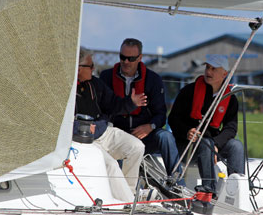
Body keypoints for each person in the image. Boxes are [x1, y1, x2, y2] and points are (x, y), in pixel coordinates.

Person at [100, 38, 184, 184]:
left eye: (131, 58)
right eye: (122, 57)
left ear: (140, 58)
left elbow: (161, 115)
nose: (125, 62)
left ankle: (178, 184)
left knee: (166, 137)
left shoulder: (153, 80)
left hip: (146, 135)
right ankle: (120, 190)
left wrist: (150, 127)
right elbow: (103, 109)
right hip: (118, 135)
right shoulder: (106, 77)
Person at [75, 51, 148, 199]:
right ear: (78, 68)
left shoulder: (95, 84)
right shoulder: (65, 90)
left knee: (137, 147)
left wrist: (131, 103)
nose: (94, 69)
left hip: (103, 131)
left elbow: (113, 104)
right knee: (111, 165)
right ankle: (127, 202)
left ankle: (130, 192)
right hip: (83, 140)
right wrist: (81, 128)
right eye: (91, 66)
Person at [168, 54, 245, 194]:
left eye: (214, 69)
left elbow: (231, 128)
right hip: (186, 145)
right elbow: (173, 119)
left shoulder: (231, 99)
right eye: (207, 67)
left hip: (211, 144)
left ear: (224, 74)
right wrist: (187, 131)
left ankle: (238, 191)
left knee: (236, 146)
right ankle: (209, 190)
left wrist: (216, 144)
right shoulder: (188, 92)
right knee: (206, 143)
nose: (208, 72)